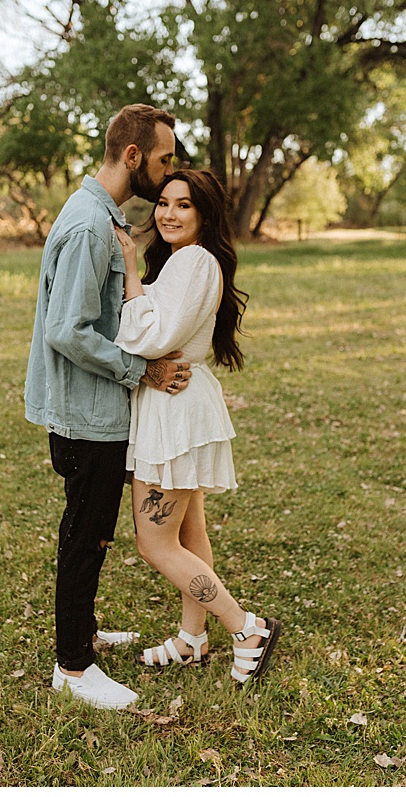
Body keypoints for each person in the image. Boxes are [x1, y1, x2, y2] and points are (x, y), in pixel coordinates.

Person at [25, 103, 193, 710]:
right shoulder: (90, 226)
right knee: (86, 535)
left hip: (93, 411)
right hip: (86, 415)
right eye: (164, 159)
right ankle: (74, 668)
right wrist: (142, 370)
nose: (169, 169)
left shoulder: (98, 215)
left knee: (92, 532)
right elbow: (67, 331)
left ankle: (84, 632)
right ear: (132, 156)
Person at [112, 169, 281, 687]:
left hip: (175, 407)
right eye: (163, 203)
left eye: (183, 205)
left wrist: (129, 273)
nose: (167, 213)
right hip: (177, 403)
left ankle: (246, 628)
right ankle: (192, 639)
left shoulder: (193, 260)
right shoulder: (186, 260)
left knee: (155, 544)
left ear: (204, 214)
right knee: (189, 532)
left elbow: (150, 338)